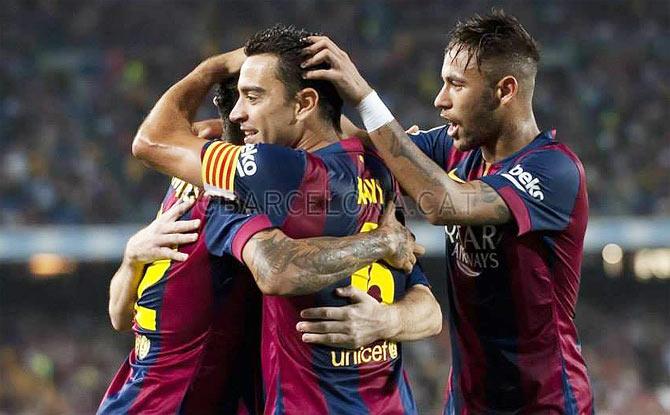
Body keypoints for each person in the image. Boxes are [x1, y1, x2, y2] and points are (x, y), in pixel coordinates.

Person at [132, 25, 442, 414]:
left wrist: (214, 67)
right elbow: (430, 310)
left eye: (253, 97)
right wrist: (388, 320)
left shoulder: (276, 170)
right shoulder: (380, 170)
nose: (237, 112)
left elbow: (152, 141)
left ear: (303, 104)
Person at [299, 10, 594, 414]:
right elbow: (376, 148)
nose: (440, 99)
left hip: (544, 404)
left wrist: (364, 95)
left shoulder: (554, 170)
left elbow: (443, 203)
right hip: (466, 403)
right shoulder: (458, 150)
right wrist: (295, 103)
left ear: (505, 91)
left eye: (456, 85)